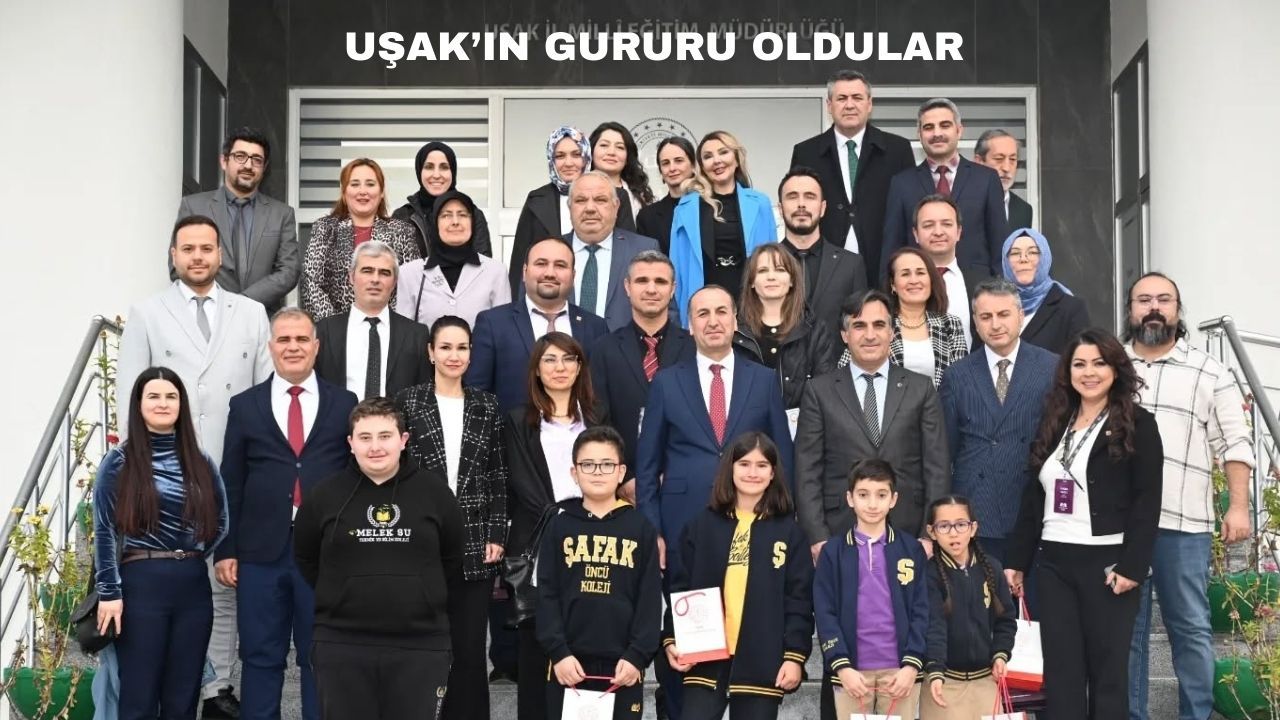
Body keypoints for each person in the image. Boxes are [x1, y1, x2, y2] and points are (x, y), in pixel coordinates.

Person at [117, 214, 272, 716]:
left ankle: (217, 685)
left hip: (232, 466)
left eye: (207, 248)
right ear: (173, 255)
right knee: (176, 579)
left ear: (220, 255)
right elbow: (129, 395)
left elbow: (264, 396)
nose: (198, 257)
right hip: (166, 470)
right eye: (188, 249)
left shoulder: (252, 313)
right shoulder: (147, 312)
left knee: (224, 577)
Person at [635, 285, 792, 720]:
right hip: (684, 529)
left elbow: (782, 456)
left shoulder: (763, 379)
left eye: (722, 311)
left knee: (750, 626)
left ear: (736, 321)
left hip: (752, 528)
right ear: (689, 325)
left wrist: (783, 521)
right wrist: (654, 531)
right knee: (687, 636)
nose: (713, 321)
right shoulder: (667, 382)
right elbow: (647, 467)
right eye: (702, 313)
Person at [1005, 328, 1164, 720]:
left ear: (1115, 369)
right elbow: (1034, 495)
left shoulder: (1138, 423)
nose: (1088, 372)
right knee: (1062, 675)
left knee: (1108, 676)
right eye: (1079, 364)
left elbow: (1147, 500)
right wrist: (1017, 560)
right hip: (1054, 563)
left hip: (1108, 566)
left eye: (1098, 363)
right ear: (1068, 372)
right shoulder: (1056, 420)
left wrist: (1133, 566)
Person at [215, 308, 359, 720]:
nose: (293, 347)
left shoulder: (344, 403)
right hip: (260, 554)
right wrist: (226, 549)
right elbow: (231, 481)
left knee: (321, 655)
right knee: (260, 655)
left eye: (301, 339)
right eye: (284, 340)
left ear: (316, 346)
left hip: (325, 554)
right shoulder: (245, 406)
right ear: (271, 347)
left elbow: (354, 479)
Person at [1123, 272, 1254, 720]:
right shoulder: (1110, 367)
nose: (1153, 308)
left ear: (1178, 310)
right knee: (1126, 634)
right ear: (1130, 310)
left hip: (1183, 524)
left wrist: (1239, 506)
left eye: (1164, 300)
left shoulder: (1208, 370)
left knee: (1191, 629)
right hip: (1119, 526)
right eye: (1144, 300)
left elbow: (1236, 443)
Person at [293, 397, 464, 720]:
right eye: (365, 437)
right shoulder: (324, 496)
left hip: (420, 645)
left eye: (385, 436)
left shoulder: (436, 493)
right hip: (341, 643)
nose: (375, 447)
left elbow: (452, 557)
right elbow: (306, 556)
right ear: (350, 443)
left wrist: (421, 593)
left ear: (403, 440)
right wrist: (342, 590)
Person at [94, 368, 229, 720]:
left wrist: (186, 554)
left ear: (181, 404)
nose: (163, 403)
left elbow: (221, 522)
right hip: (141, 587)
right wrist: (109, 592)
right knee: (139, 698)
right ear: (138, 404)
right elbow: (104, 530)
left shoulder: (201, 461)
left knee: (183, 699)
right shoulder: (118, 461)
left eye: (171, 396)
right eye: (153, 396)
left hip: (193, 587)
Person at [394, 315, 508, 720]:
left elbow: (497, 473)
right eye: (445, 347)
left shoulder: (487, 405)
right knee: (422, 646)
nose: (453, 355)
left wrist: (497, 532)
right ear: (430, 352)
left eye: (462, 348)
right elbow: (396, 474)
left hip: (475, 544)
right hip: (420, 544)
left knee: (470, 649)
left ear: (471, 354)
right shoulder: (407, 402)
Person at [663, 431, 813, 720]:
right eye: (744, 464)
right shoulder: (701, 525)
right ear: (729, 468)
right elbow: (680, 588)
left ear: (773, 473)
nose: (752, 472)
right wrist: (672, 638)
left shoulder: (789, 534)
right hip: (704, 659)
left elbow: (799, 601)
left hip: (762, 661)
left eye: (762, 465)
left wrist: (794, 657)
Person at [796, 290, 948, 550]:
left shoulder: (920, 388)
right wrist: (818, 538)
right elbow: (807, 470)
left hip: (909, 531)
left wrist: (928, 534)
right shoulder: (819, 391)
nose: (869, 335)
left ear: (892, 332)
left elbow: (937, 468)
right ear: (845, 335)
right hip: (839, 532)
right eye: (859, 326)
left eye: (879, 325)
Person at [505, 333, 607, 720]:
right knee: (537, 649)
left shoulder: (597, 417)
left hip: (592, 540)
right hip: (538, 539)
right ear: (536, 369)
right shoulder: (518, 420)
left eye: (568, 359)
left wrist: (587, 518)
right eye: (549, 360)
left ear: (580, 367)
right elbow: (520, 479)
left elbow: (608, 471)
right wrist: (564, 516)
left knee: (586, 642)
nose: (559, 368)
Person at [537, 425, 662, 720]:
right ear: (574, 472)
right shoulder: (559, 525)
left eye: (607, 464)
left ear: (621, 472)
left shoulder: (640, 528)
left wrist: (637, 655)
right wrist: (558, 652)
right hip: (568, 665)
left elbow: (649, 600)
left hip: (623, 668)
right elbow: (547, 594)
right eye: (588, 464)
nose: (597, 472)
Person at [938, 278, 1056, 565]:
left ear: (1021, 316)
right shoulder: (957, 375)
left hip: (1032, 505)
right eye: (986, 317)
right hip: (977, 507)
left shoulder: (1051, 367)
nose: (995, 324)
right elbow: (945, 449)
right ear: (975, 323)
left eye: (1004, 314)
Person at [813, 459, 930, 719]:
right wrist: (842, 667)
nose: (873, 504)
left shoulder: (910, 549)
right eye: (863, 495)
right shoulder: (833, 552)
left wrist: (912, 665)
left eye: (881, 495)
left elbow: (923, 609)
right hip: (852, 674)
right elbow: (824, 613)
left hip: (900, 673)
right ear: (850, 498)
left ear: (894, 499)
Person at [790, 69, 916, 287]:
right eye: (841, 98)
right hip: (822, 271)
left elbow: (911, 211)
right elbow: (797, 210)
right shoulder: (806, 152)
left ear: (869, 104)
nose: (849, 105)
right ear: (829, 105)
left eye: (857, 98)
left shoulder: (898, 149)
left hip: (884, 266)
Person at [466, 236, 610, 411]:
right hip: (509, 428)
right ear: (524, 272)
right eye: (541, 264)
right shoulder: (493, 323)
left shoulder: (596, 326)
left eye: (560, 265)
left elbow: (602, 395)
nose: (550, 273)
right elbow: (477, 394)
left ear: (573, 275)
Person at [589, 250, 695, 475]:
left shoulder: (694, 348)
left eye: (660, 281)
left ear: (673, 289)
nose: (651, 289)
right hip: (622, 483)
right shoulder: (603, 349)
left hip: (683, 480)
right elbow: (597, 422)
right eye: (642, 281)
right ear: (627, 287)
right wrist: (623, 477)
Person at [175, 127, 300, 314]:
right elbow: (178, 265)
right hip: (206, 316)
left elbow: (289, 271)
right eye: (240, 156)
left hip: (261, 318)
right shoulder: (193, 206)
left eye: (256, 160)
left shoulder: (282, 214)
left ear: (264, 167)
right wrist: (219, 302)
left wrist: (243, 302)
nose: (248, 165)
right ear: (224, 161)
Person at [882, 98, 1007, 278]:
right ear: (919, 134)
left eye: (945, 125)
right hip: (920, 286)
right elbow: (892, 248)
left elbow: (999, 244)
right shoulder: (902, 183)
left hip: (976, 286)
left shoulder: (986, 179)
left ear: (959, 130)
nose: (937, 133)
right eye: (928, 127)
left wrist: (1001, 289)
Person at [921, 495, 1017, 720]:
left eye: (961, 524)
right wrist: (935, 670)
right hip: (944, 683)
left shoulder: (992, 568)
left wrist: (1000, 655)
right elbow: (933, 628)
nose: (953, 533)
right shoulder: (929, 574)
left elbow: (1005, 621)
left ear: (973, 528)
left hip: (986, 682)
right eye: (944, 526)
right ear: (931, 532)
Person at [669, 131, 777, 325]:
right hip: (703, 305)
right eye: (708, 156)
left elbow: (773, 260)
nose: (716, 161)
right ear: (702, 167)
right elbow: (676, 267)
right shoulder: (685, 208)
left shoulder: (760, 203)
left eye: (723, 152)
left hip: (751, 305)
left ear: (736, 159)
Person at [301, 157, 421, 320]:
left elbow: (411, 283)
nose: (363, 191)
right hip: (336, 329)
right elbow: (311, 283)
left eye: (370, 184)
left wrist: (389, 325)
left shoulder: (402, 231)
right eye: (355, 184)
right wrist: (335, 327)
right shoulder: (325, 228)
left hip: (389, 328)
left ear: (381, 192)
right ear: (344, 192)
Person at [314, 240, 431, 400]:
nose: (375, 279)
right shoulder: (323, 331)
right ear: (351, 277)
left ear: (394, 282)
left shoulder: (416, 334)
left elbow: (422, 394)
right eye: (367, 271)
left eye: (384, 273)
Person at [732, 243, 840, 411]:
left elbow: (825, 389)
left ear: (792, 280)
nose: (771, 277)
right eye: (762, 271)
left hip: (802, 423)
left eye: (780, 270)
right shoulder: (735, 330)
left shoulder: (814, 329)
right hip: (747, 424)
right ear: (751, 281)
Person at [396, 189, 510, 327]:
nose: (455, 222)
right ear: (435, 223)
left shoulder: (496, 272)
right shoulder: (410, 273)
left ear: (473, 222)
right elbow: (403, 334)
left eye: (462, 215)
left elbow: (503, 330)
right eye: (446, 215)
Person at [563, 170, 662, 330]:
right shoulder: (547, 252)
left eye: (600, 200)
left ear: (616, 207)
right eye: (580, 200)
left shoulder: (644, 250)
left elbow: (664, 312)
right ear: (570, 208)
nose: (590, 208)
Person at [776, 167, 867, 338]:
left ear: (823, 207)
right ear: (780, 209)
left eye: (810, 196)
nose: (801, 204)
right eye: (792, 196)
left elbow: (859, 326)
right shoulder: (760, 265)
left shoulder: (851, 265)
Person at [509, 126, 591, 295]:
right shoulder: (536, 199)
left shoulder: (610, 196)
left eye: (576, 155)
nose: (568, 163)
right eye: (560, 156)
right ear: (551, 160)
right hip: (548, 295)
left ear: (586, 157)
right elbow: (520, 262)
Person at [874, 246, 968, 388]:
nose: (914, 280)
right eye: (905, 274)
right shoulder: (876, 324)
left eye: (920, 273)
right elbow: (847, 372)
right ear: (893, 285)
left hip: (939, 402)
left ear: (930, 280)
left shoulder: (951, 324)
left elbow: (962, 381)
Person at [392, 140, 493, 258]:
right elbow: (392, 264)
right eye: (429, 167)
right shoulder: (402, 216)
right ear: (419, 171)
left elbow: (483, 265)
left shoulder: (473, 215)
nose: (436, 175)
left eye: (444, 167)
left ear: (453, 172)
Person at [908, 194, 984, 348]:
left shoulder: (981, 282)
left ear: (958, 232)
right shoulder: (902, 283)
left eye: (946, 224)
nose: (938, 232)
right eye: (928, 225)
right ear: (916, 234)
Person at [1002, 228, 1090, 356]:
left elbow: (1082, 359)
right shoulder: (992, 306)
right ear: (1005, 261)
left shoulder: (1071, 309)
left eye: (1032, 252)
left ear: (1045, 258)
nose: (1023, 259)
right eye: (1015, 253)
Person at [589, 121, 654, 230]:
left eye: (620, 147)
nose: (611, 152)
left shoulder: (641, 197)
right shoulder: (574, 189)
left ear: (628, 156)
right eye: (604, 145)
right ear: (591, 151)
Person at [636, 136, 697, 253]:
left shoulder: (711, 206)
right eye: (665, 163)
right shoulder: (647, 217)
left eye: (679, 161)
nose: (672, 168)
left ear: (693, 166)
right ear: (660, 171)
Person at [973, 129, 1032, 229]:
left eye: (1012, 159)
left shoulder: (1024, 209)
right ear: (978, 162)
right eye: (999, 159)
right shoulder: (959, 201)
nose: (1006, 168)